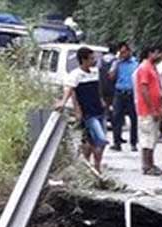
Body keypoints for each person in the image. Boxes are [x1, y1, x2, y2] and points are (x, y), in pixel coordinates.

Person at [56, 46, 108, 174]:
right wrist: (65, 102)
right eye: (91, 58)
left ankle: (93, 167)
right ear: (83, 60)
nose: (94, 60)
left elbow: (97, 89)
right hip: (88, 113)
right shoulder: (75, 75)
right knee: (100, 140)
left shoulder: (95, 72)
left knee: (91, 141)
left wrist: (101, 99)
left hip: (99, 110)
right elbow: (70, 90)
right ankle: (93, 166)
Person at [134, 45, 162, 175]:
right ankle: (147, 165)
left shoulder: (152, 67)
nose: (160, 55)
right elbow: (144, 89)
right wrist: (152, 109)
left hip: (153, 108)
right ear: (150, 53)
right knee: (147, 138)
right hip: (147, 110)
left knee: (152, 137)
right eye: (157, 53)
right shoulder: (145, 68)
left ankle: (150, 163)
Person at [109, 41, 138, 151]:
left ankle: (133, 142)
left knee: (133, 118)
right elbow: (111, 77)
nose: (123, 54)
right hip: (119, 92)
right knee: (116, 118)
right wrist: (116, 63)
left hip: (132, 93)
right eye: (121, 52)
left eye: (125, 52)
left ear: (130, 51)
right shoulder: (117, 63)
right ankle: (117, 142)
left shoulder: (136, 63)